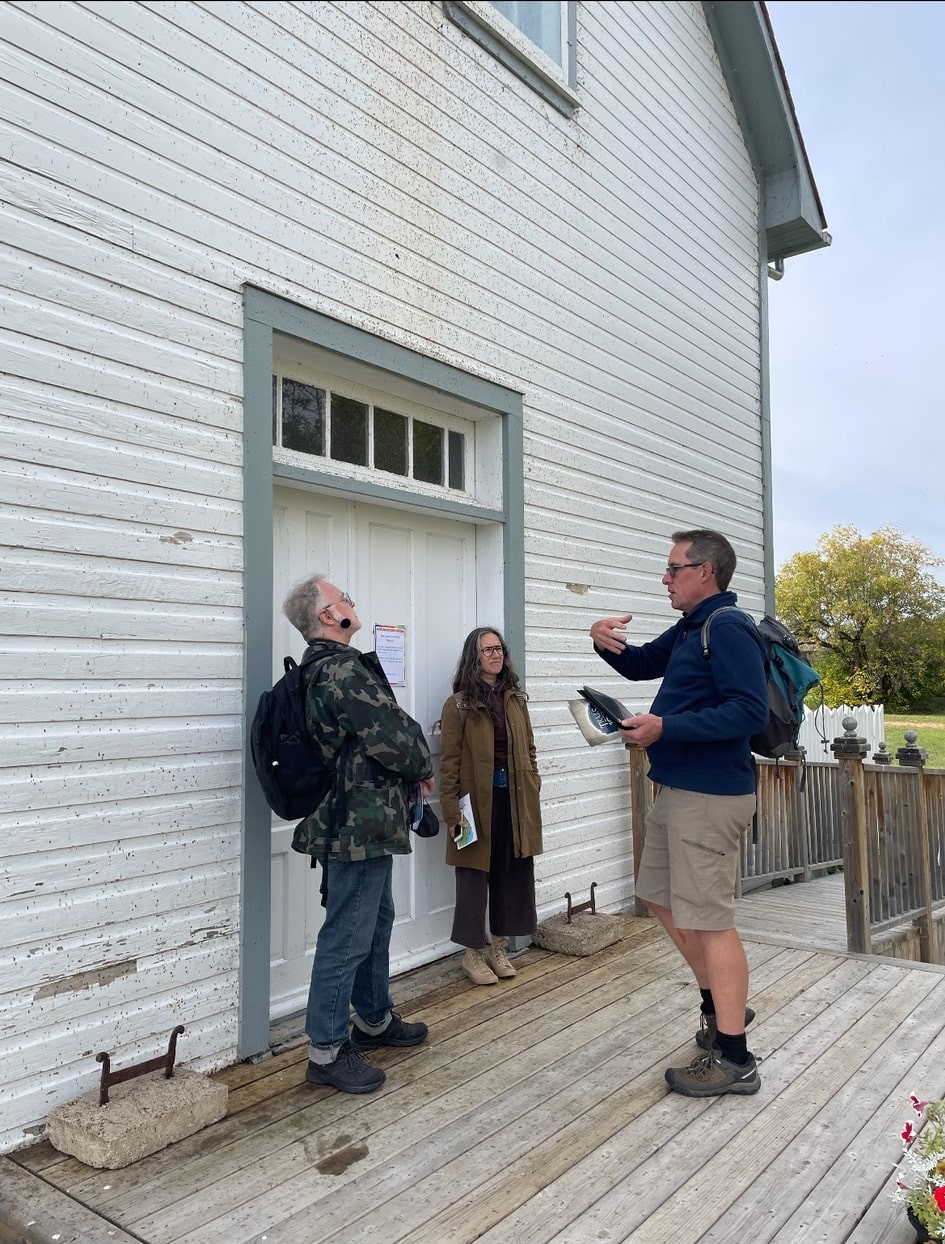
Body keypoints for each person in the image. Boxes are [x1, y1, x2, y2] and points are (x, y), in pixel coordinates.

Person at [590, 529, 768, 1098]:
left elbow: (748, 712)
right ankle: (719, 1009)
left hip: (712, 797)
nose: (665, 578)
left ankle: (736, 1058)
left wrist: (668, 727)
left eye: (673, 569)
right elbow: (642, 664)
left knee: (711, 920)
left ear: (705, 572)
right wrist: (601, 641)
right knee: (663, 899)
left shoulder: (728, 627)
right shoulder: (693, 626)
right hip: (676, 788)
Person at [284, 574, 435, 1094]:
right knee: (349, 931)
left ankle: (372, 1019)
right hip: (354, 822)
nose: (351, 600)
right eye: (342, 597)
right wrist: (420, 763)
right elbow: (391, 734)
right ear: (327, 616)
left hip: (361, 820)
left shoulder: (323, 668)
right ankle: (325, 1051)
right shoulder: (342, 669)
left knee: (375, 920)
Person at [438, 627, 543, 986]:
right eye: (487, 650)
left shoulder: (516, 699)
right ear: (474, 656)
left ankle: (499, 947)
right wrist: (451, 812)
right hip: (473, 804)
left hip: (514, 799)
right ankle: (473, 954)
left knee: (511, 871)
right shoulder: (459, 705)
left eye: (499, 649)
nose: (495, 655)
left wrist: (533, 783)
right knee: (472, 877)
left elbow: (529, 748)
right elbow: (449, 761)